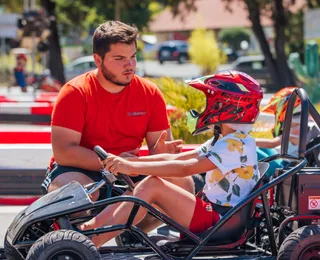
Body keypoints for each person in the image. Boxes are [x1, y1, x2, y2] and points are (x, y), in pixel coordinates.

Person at [79, 71, 263, 248]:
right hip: (215, 214)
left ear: (226, 106)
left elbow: (186, 168)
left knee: (151, 185)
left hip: (219, 221)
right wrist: (129, 163)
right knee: (154, 182)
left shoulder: (236, 145)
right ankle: (91, 226)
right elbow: (176, 158)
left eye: (210, 102)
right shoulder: (226, 140)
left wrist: (130, 166)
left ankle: (94, 241)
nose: (206, 108)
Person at [42, 20, 194, 202]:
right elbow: (64, 152)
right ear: (98, 60)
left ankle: (131, 230)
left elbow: (159, 148)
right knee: (81, 193)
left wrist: (158, 153)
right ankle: (86, 230)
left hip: (129, 171)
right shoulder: (75, 92)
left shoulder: (149, 92)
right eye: (120, 58)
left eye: (133, 56)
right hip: (79, 170)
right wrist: (114, 162)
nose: (129, 65)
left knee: (182, 183)